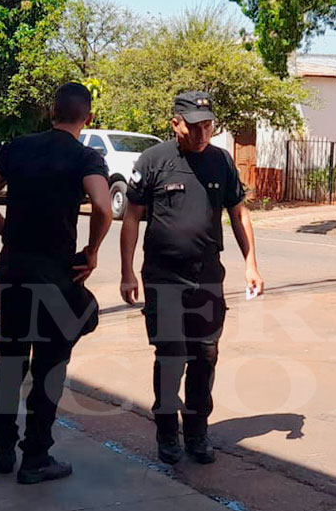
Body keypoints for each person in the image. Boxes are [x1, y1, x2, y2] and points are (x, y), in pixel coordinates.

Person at [0, 82, 113, 484]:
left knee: (10, 363)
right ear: (88, 117)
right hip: (55, 276)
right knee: (50, 367)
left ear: (52, 112)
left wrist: (9, 232)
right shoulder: (86, 157)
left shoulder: (18, 147)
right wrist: (92, 250)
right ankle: (35, 457)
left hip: (12, 271)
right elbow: (103, 206)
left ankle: (2, 450)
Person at [119, 91, 265, 465]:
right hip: (164, 276)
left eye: (208, 126)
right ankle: (167, 433)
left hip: (207, 276)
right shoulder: (153, 161)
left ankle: (197, 432)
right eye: (195, 127)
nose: (202, 134)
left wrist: (251, 263)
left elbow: (239, 213)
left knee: (205, 355)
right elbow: (132, 217)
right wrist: (127, 271)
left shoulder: (221, 161)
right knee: (171, 356)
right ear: (176, 123)